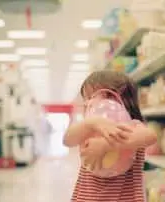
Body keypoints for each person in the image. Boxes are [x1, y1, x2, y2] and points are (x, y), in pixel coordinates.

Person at [63, 70, 157, 202]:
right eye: (85, 99)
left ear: (115, 97)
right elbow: (67, 140)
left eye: (91, 97)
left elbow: (151, 136)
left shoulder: (132, 126)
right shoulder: (87, 129)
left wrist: (107, 145)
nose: (87, 104)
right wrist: (92, 122)